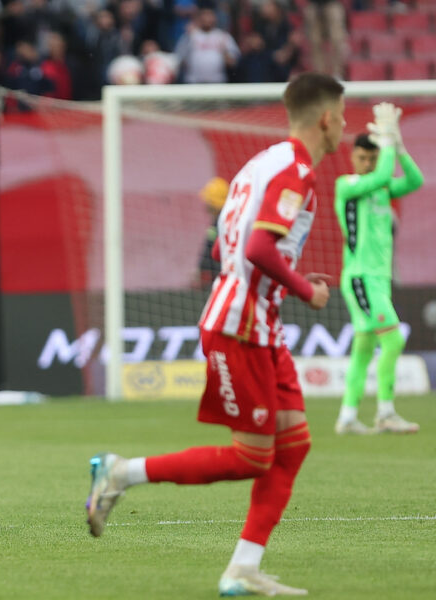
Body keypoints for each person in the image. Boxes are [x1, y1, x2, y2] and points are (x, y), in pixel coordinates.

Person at [85, 73, 345, 596]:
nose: (343, 125)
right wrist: (303, 289)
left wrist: (284, 282)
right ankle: (120, 473)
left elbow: (237, 244)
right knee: (252, 456)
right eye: (340, 116)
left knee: (293, 444)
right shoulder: (296, 171)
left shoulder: (263, 162)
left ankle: (243, 568)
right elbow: (257, 248)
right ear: (325, 118)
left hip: (258, 321)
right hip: (240, 324)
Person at [333, 113, 425, 435]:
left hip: (377, 279)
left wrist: (398, 148)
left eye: (372, 158)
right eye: (362, 158)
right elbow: (384, 174)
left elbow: (415, 181)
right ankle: (385, 412)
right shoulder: (347, 185)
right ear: (352, 157)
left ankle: (347, 416)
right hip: (362, 277)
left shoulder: (382, 189)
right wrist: (386, 146)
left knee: (362, 348)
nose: (368, 164)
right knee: (394, 339)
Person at [174, 6, 239, 84]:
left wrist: (225, 53)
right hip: (194, 81)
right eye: (204, 15)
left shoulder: (223, 36)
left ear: (215, 18)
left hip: (217, 81)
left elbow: (233, 62)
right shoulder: (191, 34)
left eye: (209, 15)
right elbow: (178, 58)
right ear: (199, 18)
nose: (207, 19)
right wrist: (188, 37)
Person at [196, 176, 227, 289]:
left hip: (223, 278)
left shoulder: (220, 222)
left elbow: (210, 248)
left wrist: (202, 268)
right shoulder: (221, 220)